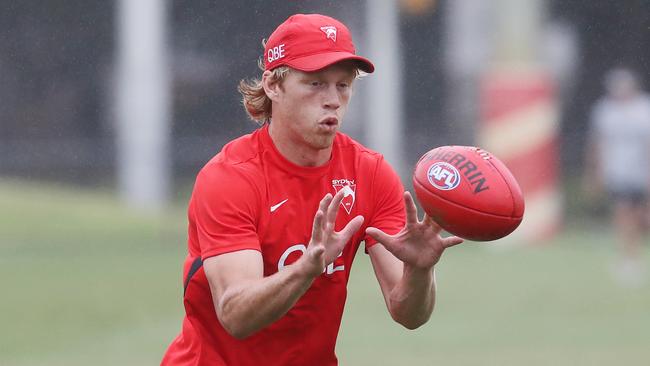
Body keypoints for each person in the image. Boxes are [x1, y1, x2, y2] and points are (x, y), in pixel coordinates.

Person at [161, 13, 463, 366]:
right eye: (316, 84)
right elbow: (236, 315)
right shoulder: (230, 178)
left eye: (343, 84)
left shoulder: (370, 172)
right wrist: (307, 267)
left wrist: (419, 271)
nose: (333, 99)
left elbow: (408, 313)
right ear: (273, 86)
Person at [584, 67, 650, 287]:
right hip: (618, 173)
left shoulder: (643, 109)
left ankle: (632, 256)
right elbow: (598, 144)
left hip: (640, 172)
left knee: (639, 218)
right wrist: (595, 172)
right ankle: (628, 259)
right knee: (623, 215)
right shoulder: (606, 111)